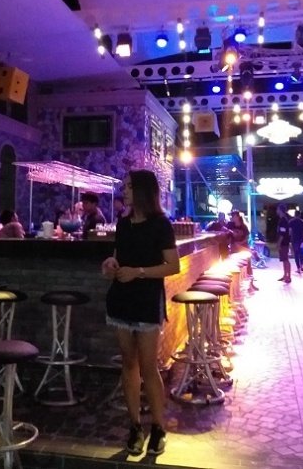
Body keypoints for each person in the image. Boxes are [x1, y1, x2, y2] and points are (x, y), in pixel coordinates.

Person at [101, 170, 179, 456]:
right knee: (128, 363)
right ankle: (134, 426)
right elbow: (117, 257)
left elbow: (173, 266)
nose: (124, 191)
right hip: (121, 298)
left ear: (143, 191)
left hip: (146, 300)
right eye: (125, 186)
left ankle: (158, 427)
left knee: (148, 367)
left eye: (129, 187)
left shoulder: (161, 224)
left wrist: (139, 272)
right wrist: (110, 265)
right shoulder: (123, 224)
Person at [276, 204, 292, 283]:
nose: (276, 211)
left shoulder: (283, 220)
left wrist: (279, 243)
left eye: (277, 209)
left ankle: (288, 276)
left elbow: (282, 233)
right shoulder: (284, 219)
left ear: (280, 210)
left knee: (285, 259)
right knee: (284, 259)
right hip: (285, 242)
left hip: (284, 243)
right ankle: (285, 275)